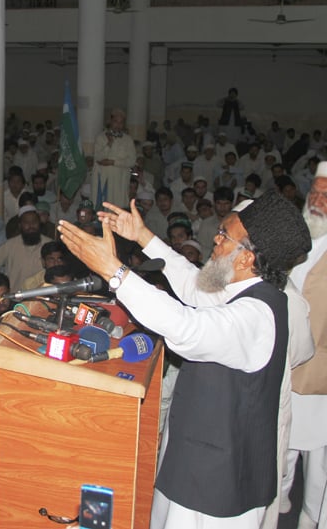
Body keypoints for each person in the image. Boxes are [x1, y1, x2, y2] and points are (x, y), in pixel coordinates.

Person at [58, 188, 312, 528]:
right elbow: (193, 285)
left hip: (220, 487)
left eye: (224, 236)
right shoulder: (239, 289)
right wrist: (143, 237)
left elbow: (186, 328)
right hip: (193, 460)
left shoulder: (257, 316)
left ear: (246, 258)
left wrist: (114, 271)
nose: (215, 241)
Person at [281, 161, 327, 529]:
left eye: (326, 195)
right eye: (314, 192)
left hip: (320, 379)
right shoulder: (293, 237)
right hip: (283, 365)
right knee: (282, 455)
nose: (317, 200)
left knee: (319, 466)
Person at [92, 108, 136, 209]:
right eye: (116, 121)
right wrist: (109, 143)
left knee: (118, 206)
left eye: (121, 122)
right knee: (103, 207)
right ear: (110, 122)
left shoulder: (128, 140)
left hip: (120, 180)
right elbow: (98, 158)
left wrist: (113, 162)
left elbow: (131, 161)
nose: (118, 125)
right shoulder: (101, 137)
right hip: (103, 178)